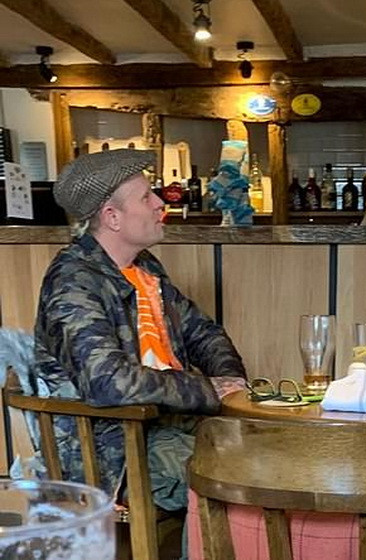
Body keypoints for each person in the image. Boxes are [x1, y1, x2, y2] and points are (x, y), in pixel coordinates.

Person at [34, 149, 247, 512]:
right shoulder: (72, 281)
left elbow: (203, 333)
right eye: (146, 197)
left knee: (269, 455)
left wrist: (231, 384)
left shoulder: (145, 268)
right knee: (231, 475)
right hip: (117, 449)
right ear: (112, 217)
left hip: (171, 425)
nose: (160, 203)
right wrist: (207, 390)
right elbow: (107, 381)